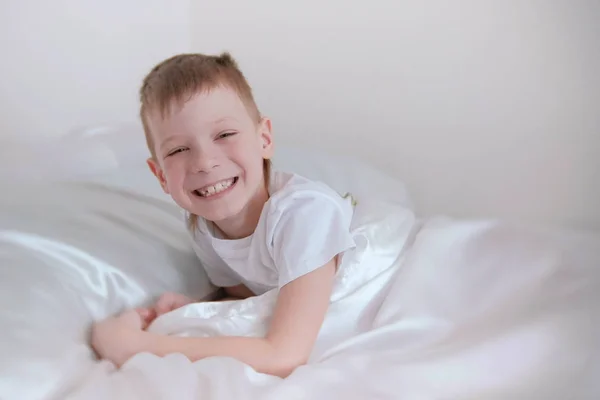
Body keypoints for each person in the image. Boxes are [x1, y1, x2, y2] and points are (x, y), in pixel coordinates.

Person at [90, 52, 356, 378]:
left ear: (264, 139)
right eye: (178, 150)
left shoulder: (303, 214)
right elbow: (251, 290)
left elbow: (284, 355)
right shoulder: (205, 228)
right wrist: (197, 308)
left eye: (224, 135)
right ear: (160, 175)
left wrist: (131, 346)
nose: (204, 162)